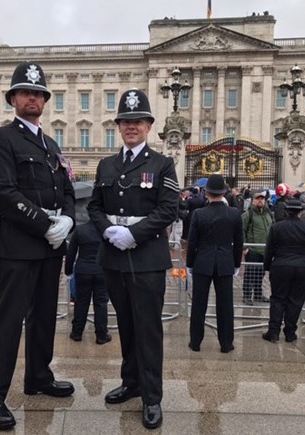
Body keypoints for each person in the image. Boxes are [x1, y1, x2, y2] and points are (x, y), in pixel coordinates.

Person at [0, 61, 76, 431]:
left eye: (38, 93)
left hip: (51, 245)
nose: (33, 98)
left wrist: (67, 219)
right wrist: (45, 223)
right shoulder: (2, 139)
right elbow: (4, 193)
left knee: (43, 318)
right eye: (26, 92)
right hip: (20, 244)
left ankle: (38, 376)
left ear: (45, 100)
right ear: (14, 99)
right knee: (9, 321)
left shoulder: (51, 144)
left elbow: (68, 188)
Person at [88, 88, 179, 430]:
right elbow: (94, 207)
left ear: (148, 125)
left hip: (147, 259)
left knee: (148, 328)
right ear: (119, 126)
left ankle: (152, 396)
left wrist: (134, 234)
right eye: (125, 121)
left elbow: (169, 209)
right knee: (125, 324)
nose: (131, 127)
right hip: (113, 257)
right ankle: (131, 382)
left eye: (137, 121)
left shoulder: (162, 164)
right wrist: (108, 231)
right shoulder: (106, 165)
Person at [186, 174, 243, 354]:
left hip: (202, 262)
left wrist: (189, 264)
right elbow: (239, 242)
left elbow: (192, 242)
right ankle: (226, 343)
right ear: (224, 192)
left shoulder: (199, 214)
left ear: (207, 192)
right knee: (225, 306)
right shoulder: (234, 213)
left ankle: (195, 342)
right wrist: (236, 263)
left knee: (198, 305)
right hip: (225, 262)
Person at [262, 199, 305, 343]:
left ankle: (273, 332)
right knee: (296, 300)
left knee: (277, 298)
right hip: (303, 267)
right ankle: (290, 332)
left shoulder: (276, 227)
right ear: (300, 212)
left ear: (286, 211)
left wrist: (266, 267)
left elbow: (269, 250)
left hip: (280, 266)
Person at [64, 220, 111, 344]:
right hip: (102, 270)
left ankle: (77, 332)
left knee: (81, 302)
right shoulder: (107, 229)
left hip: (83, 270)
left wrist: (68, 270)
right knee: (101, 302)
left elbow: (71, 252)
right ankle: (101, 335)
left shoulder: (80, 230)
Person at [241, 189, 273, 305]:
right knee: (250, 274)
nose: (260, 201)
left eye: (262, 199)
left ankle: (258, 295)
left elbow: (273, 230)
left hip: (265, 250)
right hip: (253, 250)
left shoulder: (269, 214)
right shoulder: (247, 215)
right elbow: (241, 232)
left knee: (260, 274)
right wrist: (245, 248)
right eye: (258, 199)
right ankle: (247, 296)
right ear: (253, 201)